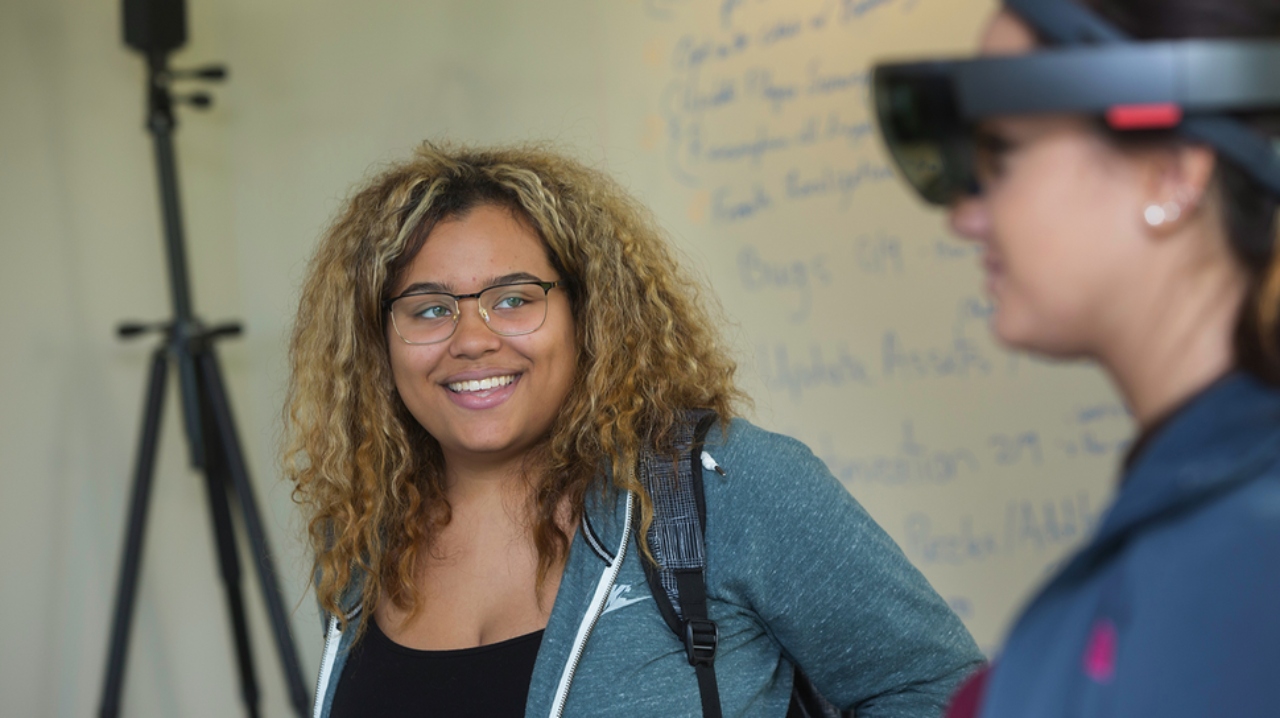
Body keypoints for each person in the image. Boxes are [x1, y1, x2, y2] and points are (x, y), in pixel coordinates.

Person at [283, 142, 982, 718]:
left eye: (515, 299)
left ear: (591, 314)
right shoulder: (363, 534)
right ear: (378, 341)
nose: (472, 339)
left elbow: (940, 692)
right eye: (429, 309)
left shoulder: (729, 488)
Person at [872, 0, 1280, 716]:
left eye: (1001, 152)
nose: (965, 217)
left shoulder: (1248, 555)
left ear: (1170, 172)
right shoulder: (1196, 517)